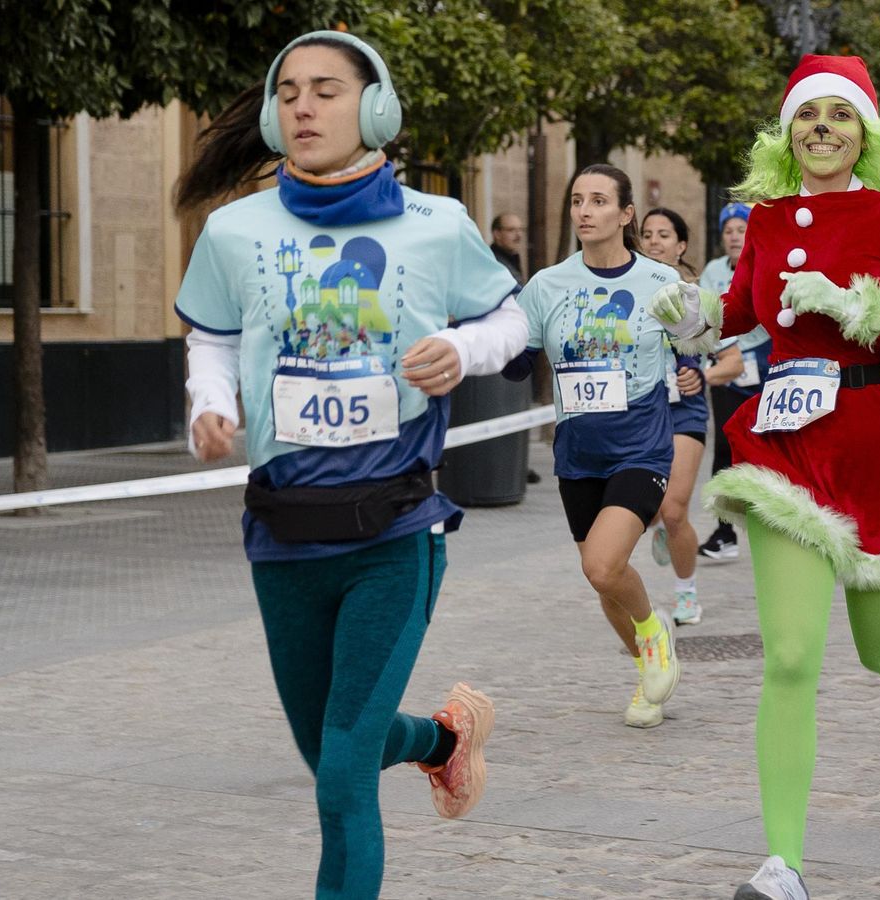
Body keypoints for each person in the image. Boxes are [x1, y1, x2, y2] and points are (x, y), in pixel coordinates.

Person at [172, 32, 518, 898]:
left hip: (393, 535)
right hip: (282, 536)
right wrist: (207, 407)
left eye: (326, 90)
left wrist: (460, 347)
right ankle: (442, 741)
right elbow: (209, 336)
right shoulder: (232, 230)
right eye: (287, 92)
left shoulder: (438, 223)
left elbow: (512, 321)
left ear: (374, 108)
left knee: (339, 782)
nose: (302, 106)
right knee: (327, 751)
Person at [651, 55, 880, 900]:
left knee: (878, 648)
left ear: (864, 132)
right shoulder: (763, 220)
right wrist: (698, 317)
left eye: (839, 114)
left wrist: (860, 307)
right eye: (807, 115)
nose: (821, 127)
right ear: (787, 132)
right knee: (791, 658)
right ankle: (782, 865)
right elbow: (746, 316)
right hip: (787, 446)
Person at [502, 164, 683, 728]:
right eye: (577, 200)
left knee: (605, 567)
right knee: (599, 573)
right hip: (577, 451)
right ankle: (647, 673)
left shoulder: (660, 283)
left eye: (599, 201)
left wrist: (701, 349)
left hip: (641, 448)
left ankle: (656, 635)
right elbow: (514, 366)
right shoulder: (547, 285)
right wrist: (490, 329)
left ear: (625, 215)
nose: (585, 211)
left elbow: (698, 344)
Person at [640, 206, 738, 626]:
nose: (655, 241)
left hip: (685, 414)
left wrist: (702, 375)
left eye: (665, 234)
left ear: (681, 246)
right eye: (647, 234)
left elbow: (731, 360)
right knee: (653, 511)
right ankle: (660, 524)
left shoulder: (699, 300)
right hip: (640, 412)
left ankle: (686, 596)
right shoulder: (630, 293)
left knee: (676, 509)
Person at [698, 201, 766, 561]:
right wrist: (726, 351)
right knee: (724, 448)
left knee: (765, 450)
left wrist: (741, 350)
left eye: (741, 229)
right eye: (728, 231)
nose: (735, 237)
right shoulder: (712, 269)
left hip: (763, 367)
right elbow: (711, 311)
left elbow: (766, 316)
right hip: (725, 363)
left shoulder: (765, 263)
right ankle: (724, 532)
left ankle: (773, 525)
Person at [489, 212, 525, 283]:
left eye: (520, 229)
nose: (519, 235)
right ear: (497, 234)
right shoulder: (491, 262)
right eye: (511, 230)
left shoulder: (512, 258)